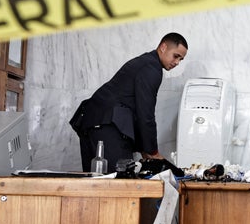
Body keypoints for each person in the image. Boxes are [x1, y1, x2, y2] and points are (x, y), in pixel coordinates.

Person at [70, 32, 188, 172]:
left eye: (181, 59)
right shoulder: (151, 68)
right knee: (119, 183)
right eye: (176, 56)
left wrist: (145, 149)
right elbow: (145, 113)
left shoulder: (146, 62)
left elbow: (134, 108)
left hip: (93, 123)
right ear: (163, 47)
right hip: (106, 125)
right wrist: (152, 151)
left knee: (96, 185)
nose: (177, 63)